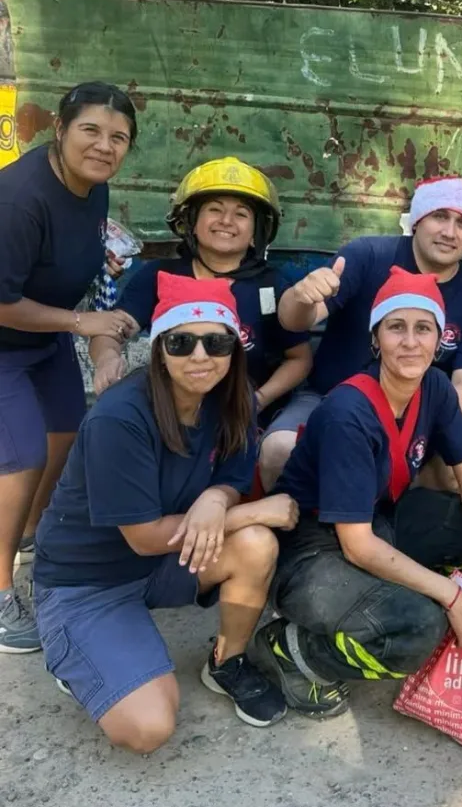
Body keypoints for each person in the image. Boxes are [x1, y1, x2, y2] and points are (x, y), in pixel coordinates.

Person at [33, 273, 295, 752]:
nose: (200, 356)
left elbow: (233, 480)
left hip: (159, 566)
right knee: (149, 729)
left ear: (234, 350)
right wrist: (252, 511)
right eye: (181, 342)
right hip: (87, 584)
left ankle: (226, 662)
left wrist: (218, 501)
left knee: (256, 546)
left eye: (216, 342)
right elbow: (145, 537)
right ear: (159, 349)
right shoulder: (121, 417)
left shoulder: (231, 402)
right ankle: (77, 660)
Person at [250, 266, 462, 718]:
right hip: (312, 552)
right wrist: (450, 596)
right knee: (416, 629)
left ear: (440, 338)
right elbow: (357, 544)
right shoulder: (350, 411)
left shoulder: (436, 388)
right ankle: (292, 649)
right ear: (375, 338)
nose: (410, 342)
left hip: (375, 521)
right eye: (396, 328)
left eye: (423, 328)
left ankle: (398, 591)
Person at [0, 82, 139, 654]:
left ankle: (30, 535)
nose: (104, 146)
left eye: (118, 137)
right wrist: (85, 327)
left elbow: (88, 277)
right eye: (90, 130)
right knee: (22, 455)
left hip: (44, 338)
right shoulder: (19, 200)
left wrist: (103, 336)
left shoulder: (93, 189)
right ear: (58, 129)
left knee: (65, 436)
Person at [262, 175, 462, 490]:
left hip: (422, 417)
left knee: (460, 476)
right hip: (329, 397)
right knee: (278, 452)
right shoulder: (369, 254)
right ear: (416, 221)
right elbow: (295, 321)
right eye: (439, 216)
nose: (449, 232)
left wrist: (402, 426)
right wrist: (300, 296)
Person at [89, 157, 312, 428]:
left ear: (256, 232)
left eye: (241, 214)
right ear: (191, 221)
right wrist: (107, 358)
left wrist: (257, 401)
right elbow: (112, 331)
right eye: (215, 210)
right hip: (170, 420)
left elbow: (299, 359)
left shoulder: (272, 285)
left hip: (244, 425)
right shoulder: (160, 276)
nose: (227, 221)